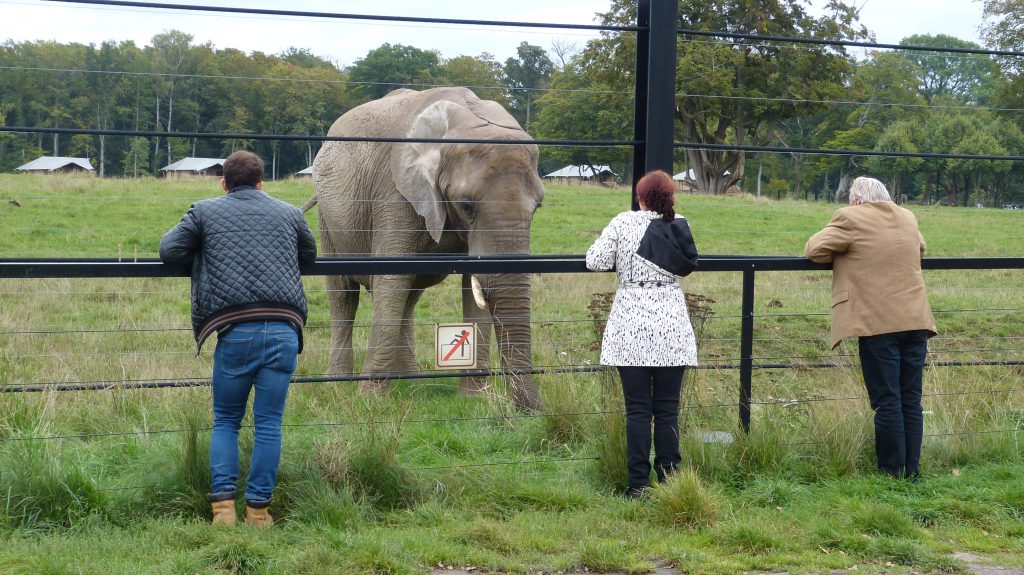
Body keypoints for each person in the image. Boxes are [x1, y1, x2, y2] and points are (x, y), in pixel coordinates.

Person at [160, 150, 317, 526]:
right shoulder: (291, 213)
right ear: (262, 182)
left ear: (223, 183)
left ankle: (223, 511)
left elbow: (169, 251)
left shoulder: (204, 210)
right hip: (283, 329)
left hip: (235, 329)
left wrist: (202, 258)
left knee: (226, 419)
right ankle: (259, 512)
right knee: (269, 423)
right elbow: (308, 258)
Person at [805, 176, 936, 480]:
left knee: (887, 400)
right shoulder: (907, 216)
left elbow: (814, 249)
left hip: (878, 322)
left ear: (856, 200)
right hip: (916, 319)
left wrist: (844, 253)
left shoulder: (850, 217)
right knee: (910, 399)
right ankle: (911, 472)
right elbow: (921, 248)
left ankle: (891, 473)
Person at [586, 169, 699, 498]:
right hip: (671, 324)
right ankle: (670, 481)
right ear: (671, 197)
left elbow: (595, 260)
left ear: (640, 197)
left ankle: (637, 485)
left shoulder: (623, 222)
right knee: (667, 409)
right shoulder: (679, 223)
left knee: (637, 410)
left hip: (630, 324)